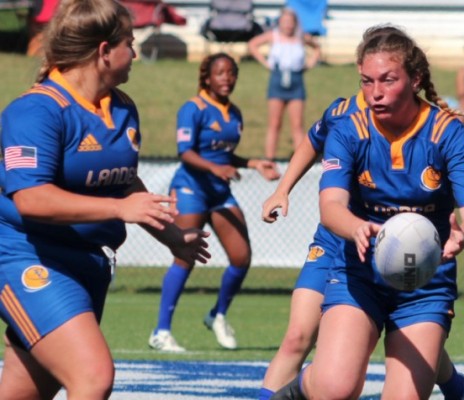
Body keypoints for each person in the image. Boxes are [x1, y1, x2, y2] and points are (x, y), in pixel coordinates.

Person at [0, 0, 211, 398]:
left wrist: (171, 236)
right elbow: (31, 198)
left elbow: (124, 183)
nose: (134, 53)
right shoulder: (35, 111)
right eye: (129, 43)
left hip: (87, 263)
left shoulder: (123, 109)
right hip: (25, 256)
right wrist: (118, 210)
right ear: (103, 51)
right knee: (93, 377)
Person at [271, 25, 464, 400]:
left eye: (388, 80)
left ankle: (448, 377)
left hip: (424, 282)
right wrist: (356, 227)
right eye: (367, 81)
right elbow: (331, 207)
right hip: (360, 273)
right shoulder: (348, 127)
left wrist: (463, 234)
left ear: (415, 78)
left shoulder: (447, 133)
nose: (375, 92)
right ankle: (293, 391)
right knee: (334, 388)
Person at [148, 53, 280, 352]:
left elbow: (225, 155)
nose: (227, 78)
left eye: (232, 73)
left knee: (241, 257)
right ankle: (160, 332)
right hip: (190, 189)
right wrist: (216, 169)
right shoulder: (192, 109)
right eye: (220, 73)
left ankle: (217, 314)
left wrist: (254, 163)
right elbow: (186, 153)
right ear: (207, 77)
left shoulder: (234, 114)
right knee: (185, 256)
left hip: (220, 193)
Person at [247, 7, 321, 160]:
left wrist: (309, 64)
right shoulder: (273, 36)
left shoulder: (301, 37)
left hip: (296, 80)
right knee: (274, 123)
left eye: (290, 22)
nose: (287, 25)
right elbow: (252, 45)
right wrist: (266, 63)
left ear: (295, 23)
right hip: (277, 79)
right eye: (284, 21)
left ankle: (301, 160)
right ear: (279, 22)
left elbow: (317, 48)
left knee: (297, 124)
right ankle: (269, 159)